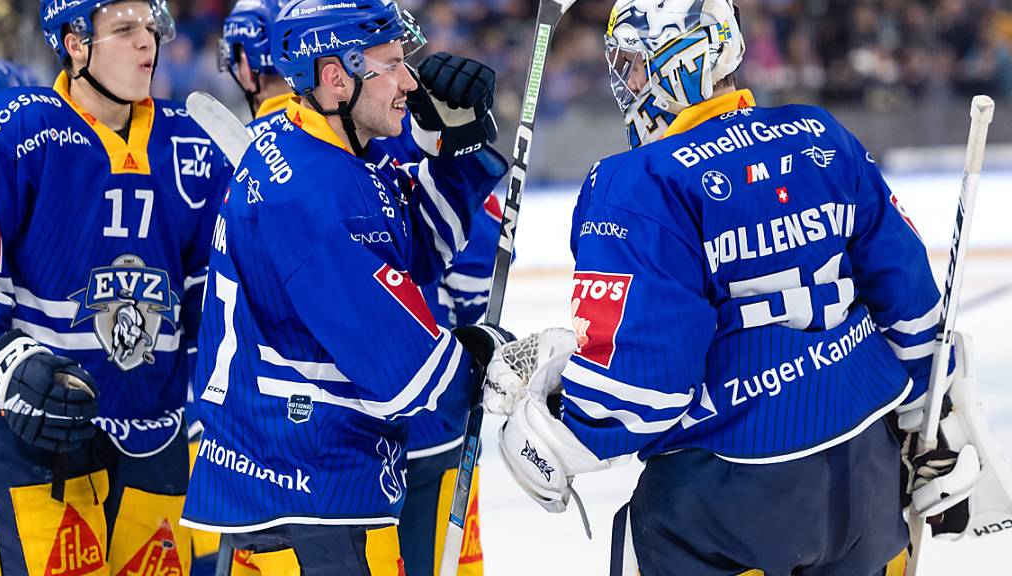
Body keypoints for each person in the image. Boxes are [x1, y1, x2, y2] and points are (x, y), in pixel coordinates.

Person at [484, 1, 980, 574]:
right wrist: (929, 418)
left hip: (729, 496)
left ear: (681, 59)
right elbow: (912, 305)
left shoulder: (640, 183)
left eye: (636, 63)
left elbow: (643, 388)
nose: (629, 83)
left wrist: (558, 425)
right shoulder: (821, 134)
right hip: (866, 476)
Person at [179, 0, 511, 573]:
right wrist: (483, 368)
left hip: (302, 474)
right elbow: (407, 373)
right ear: (336, 76)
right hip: (301, 488)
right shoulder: (318, 195)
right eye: (391, 64)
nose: (410, 79)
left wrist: (457, 154)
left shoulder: (319, 147)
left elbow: (414, 251)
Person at [0, 1, 232, 574]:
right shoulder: (19, 129)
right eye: (124, 30)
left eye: (150, 29)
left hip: (159, 432)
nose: (146, 44)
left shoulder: (193, 142)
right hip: (40, 434)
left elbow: (213, 291)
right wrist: (6, 362)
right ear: (75, 45)